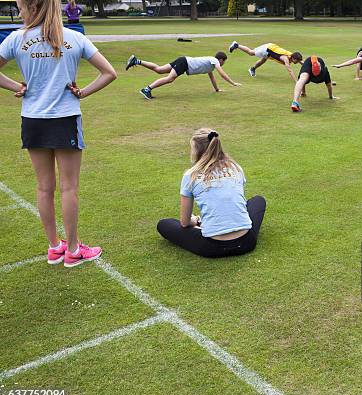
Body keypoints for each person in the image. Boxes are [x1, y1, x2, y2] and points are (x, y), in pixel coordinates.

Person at [0, 0, 116, 267]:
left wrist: (15, 86)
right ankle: (73, 250)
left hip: (33, 120)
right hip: (65, 120)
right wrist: (83, 92)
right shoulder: (75, 38)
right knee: (69, 187)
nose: (18, 12)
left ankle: (55, 247)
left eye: (20, 7)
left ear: (33, 7)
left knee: (44, 187)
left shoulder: (17, 39)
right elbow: (109, 73)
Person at [157, 128, 266, 258]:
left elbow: (185, 222)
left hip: (212, 247)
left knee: (164, 224)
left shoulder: (190, 175)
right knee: (258, 201)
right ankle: (223, 225)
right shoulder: (235, 167)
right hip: (246, 242)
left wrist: (196, 220)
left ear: (196, 150)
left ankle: (204, 224)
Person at [125, 52, 241, 99]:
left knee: (159, 70)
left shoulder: (210, 65)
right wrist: (233, 83)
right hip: (185, 63)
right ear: (221, 59)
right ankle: (147, 89)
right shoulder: (214, 61)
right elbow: (222, 74)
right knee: (170, 79)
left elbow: (212, 76)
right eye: (224, 61)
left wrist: (217, 90)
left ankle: (136, 61)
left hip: (184, 61)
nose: (223, 64)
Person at [228, 41, 303, 81]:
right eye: (297, 60)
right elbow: (290, 71)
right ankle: (236, 45)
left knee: (263, 60)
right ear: (293, 58)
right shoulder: (285, 58)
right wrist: (297, 82)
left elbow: (301, 62)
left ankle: (252, 69)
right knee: (251, 52)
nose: (297, 62)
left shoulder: (292, 55)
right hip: (267, 50)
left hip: (270, 50)